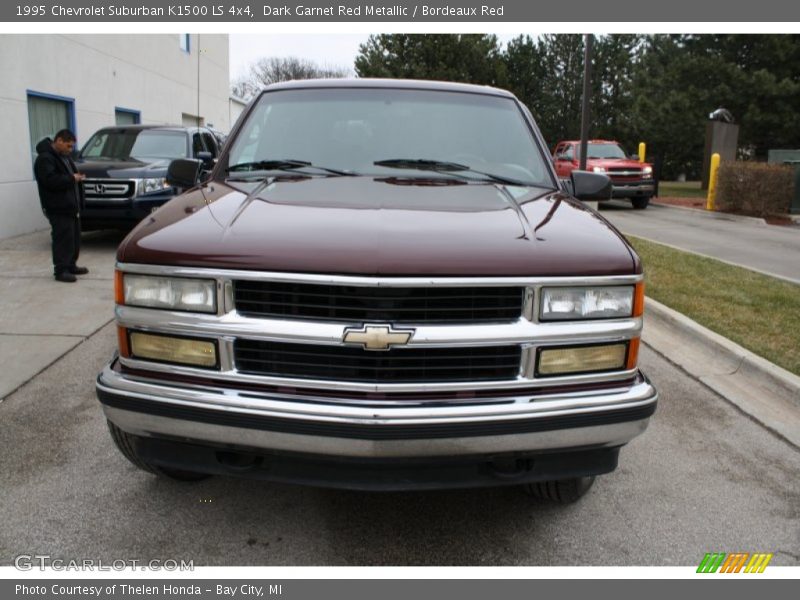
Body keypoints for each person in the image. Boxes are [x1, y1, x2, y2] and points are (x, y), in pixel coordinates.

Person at [33, 129, 89, 283]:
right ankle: (61, 270)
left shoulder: (64, 157)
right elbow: (50, 180)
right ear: (59, 141)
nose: (70, 150)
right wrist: (71, 178)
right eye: (68, 146)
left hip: (71, 206)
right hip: (58, 207)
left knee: (73, 237)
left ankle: (71, 265)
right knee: (62, 238)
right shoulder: (45, 159)